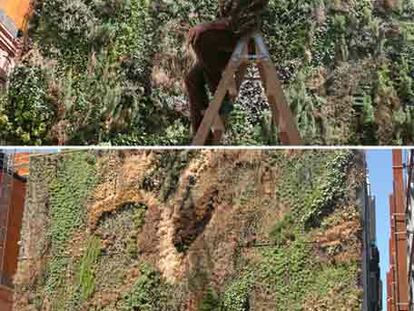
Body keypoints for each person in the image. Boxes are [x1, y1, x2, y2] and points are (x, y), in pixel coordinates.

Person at [185, 0, 269, 135]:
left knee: (202, 38)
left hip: (246, 39)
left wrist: (205, 27)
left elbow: (237, 23)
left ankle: (222, 99)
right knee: (192, 79)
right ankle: (202, 137)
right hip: (229, 41)